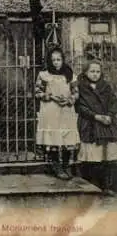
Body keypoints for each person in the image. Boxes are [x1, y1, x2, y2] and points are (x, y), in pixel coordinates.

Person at [35, 46, 80, 179]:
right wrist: (51, 97)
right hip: (51, 110)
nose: (56, 62)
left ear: (63, 60)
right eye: (53, 60)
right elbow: (37, 92)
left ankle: (66, 166)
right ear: (49, 61)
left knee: (67, 137)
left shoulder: (70, 75)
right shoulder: (44, 75)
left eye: (58, 60)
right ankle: (56, 167)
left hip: (66, 110)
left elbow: (76, 92)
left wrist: (69, 99)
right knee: (53, 138)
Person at [76, 60, 117, 196]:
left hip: (107, 123)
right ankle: (94, 186)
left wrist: (110, 115)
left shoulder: (106, 87)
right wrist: (96, 116)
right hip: (90, 123)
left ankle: (109, 186)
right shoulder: (81, 87)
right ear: (86, 72)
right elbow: (80, 107)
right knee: (93, 155)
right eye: (92, 71)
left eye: (97, 71)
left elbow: (113, 102)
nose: (95, 74)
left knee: (109, 155)